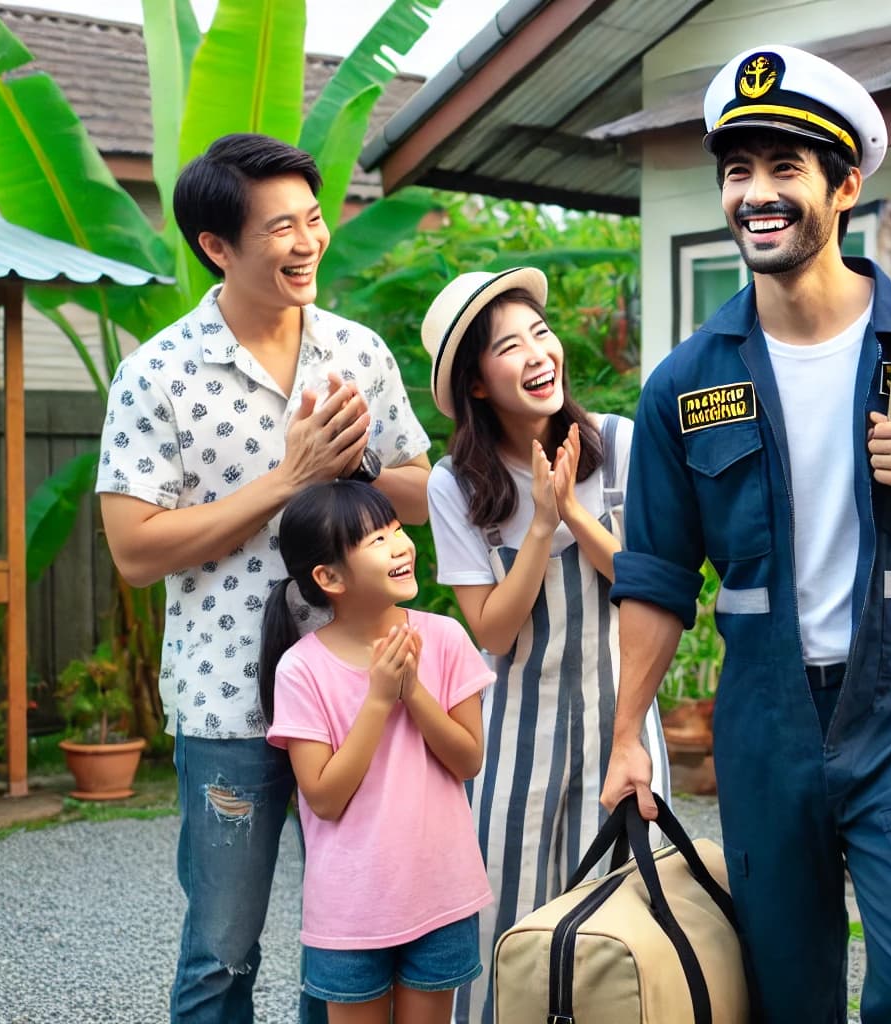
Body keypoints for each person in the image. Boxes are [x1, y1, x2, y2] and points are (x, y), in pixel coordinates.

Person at [598, 44, 891, 1023]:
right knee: (785, 994)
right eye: (737, 171)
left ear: (844, 185)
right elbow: (653, 575)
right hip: (764, 720)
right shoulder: (687, 381)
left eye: (783, 169)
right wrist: (627, 739)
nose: (755, 194)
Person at [95, 133, 432, 1023]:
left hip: (358, 692)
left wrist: (353, 468)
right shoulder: (155, 374)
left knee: (351, 936)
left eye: (315, 220)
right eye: (281, 227)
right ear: (218, 246)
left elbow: (420, 493)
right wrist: (287, 481)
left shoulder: (357, 352)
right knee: (222, 952)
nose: (308, 242)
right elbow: (133, 551)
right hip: (226, 704)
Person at [419, 267, 670, 1022]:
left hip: (621, 723)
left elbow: (643, 580)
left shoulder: (619, 444)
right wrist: (536, 526)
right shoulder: (453, 483)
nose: (537, 354)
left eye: (540, 333)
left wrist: (570, 511)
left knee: (622, 921)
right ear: (475, 385)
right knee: (505, 920)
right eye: (509, 346)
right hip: (513, 737)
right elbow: (492, 631)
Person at [259, 481, 490, 1023]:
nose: (400, 545)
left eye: (396, 530)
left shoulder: (446, 637)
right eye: (376, 539)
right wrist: (380, 699)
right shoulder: (302, 668)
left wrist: (414, 693)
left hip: (441, 895)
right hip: (349, 911)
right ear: (329, 577)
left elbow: (468, 760)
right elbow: (324, 797)